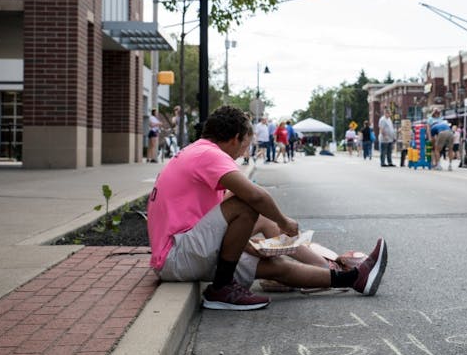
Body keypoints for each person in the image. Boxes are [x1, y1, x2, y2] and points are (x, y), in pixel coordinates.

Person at [147, 105, 388, 310]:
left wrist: (250, 245)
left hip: (180, 254)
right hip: (177, 257)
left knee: (276, 266)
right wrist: (284, 222)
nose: (244, 153)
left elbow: (217, 222)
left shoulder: (196, 151)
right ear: (234, 138)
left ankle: (353, 278)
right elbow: (254, 196)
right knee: (247, 202)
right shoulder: (209, 155)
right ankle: (221, 289)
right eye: (245, 145)